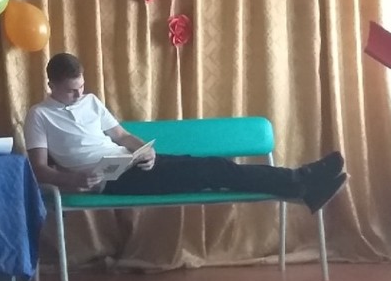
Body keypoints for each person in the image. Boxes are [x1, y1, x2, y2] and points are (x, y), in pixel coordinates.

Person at [24, 53, 347, 212]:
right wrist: (73, 180)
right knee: (214, 169)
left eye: (81, 87)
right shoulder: (39, 115)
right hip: (107, 181)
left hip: (128, 163)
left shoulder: (91, 102)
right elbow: (38, 169)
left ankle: (303, 185)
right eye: (71, 90)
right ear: (52, 85)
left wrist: (144, 150)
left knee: (212, 166)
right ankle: (301, 181)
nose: (79, 94)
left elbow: (122, 136)